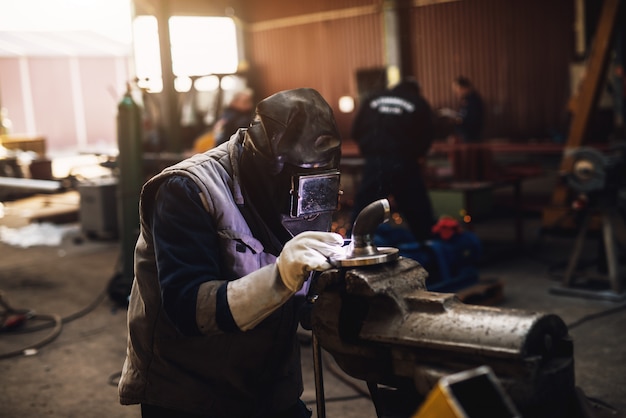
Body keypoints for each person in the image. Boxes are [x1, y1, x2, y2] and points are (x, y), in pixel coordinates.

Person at [118, 88, 346, 418]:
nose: (305, 197)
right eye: (296, 180)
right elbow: (188, 307)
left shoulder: (309, 186)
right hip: (190, 396)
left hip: (268, 388)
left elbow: (308, 287)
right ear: (267, 164)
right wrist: (281, 278)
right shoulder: (186, 190)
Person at [350, 77, 436, 242]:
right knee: (418, 212)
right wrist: (415, 154)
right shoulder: (417, 102)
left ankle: (352, 247)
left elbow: (355, 130)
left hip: (376, 164)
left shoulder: (372, 99)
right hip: (405, 163)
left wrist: (369, 150)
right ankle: (429, 249)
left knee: (364, 210)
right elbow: (427, 134)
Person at [450, 76, 484, 142]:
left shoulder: (474, 101)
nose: (456, 92)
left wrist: (459, 120)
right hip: (465, 136)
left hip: (471, 137)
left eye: (458, 89)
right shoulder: (467, 100)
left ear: (464, 87)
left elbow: (473, 121)